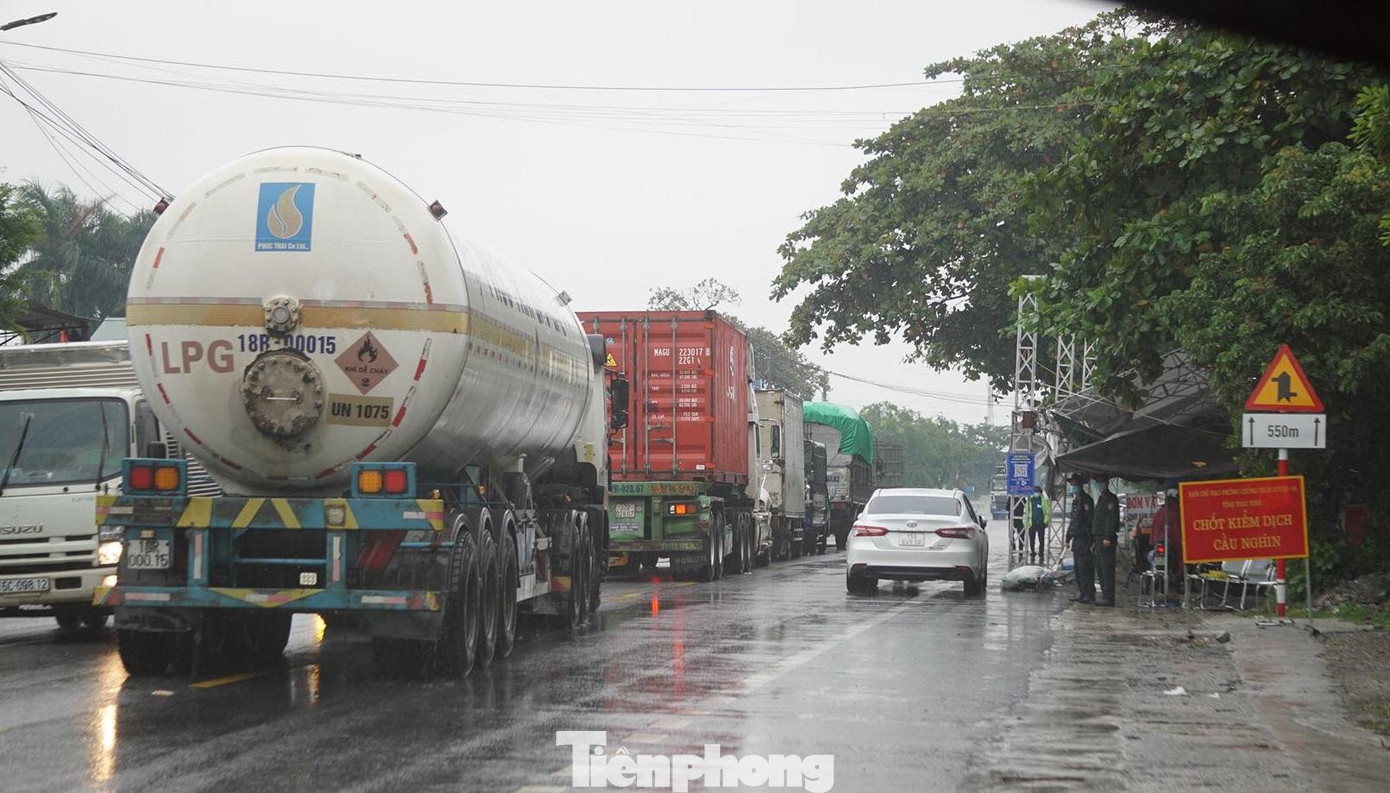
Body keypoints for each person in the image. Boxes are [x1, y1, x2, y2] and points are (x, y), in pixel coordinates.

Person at [1064, 472, 1095, 603]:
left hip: (1084, 538)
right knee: (1078, 568)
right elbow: (1073, 521)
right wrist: (1067, 538)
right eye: (1071, 484)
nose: (1072, 487)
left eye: (1074, 484)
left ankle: (1089, 594)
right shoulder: (1075, 501)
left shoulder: (1086, 500)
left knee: (1085, 567)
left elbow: (1090, 521)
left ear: (1080, 485)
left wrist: (1091, 540)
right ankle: (1082, 593)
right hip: (1076, 538)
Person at [1092, 476, 1121, 606]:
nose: (1098, 485)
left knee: (1107, 568)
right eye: (1097, 483)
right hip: (1098, 538)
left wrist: (1108, 537)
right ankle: (1105, 595)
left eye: (1100, 483)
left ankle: (1109, 597)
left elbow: (1111, 519)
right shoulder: (1101, 499)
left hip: (1106, 538)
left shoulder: (1111, 499)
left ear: (1106, 483)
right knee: (1100, 569)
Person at [1150, 486, 1183, 596]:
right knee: (1174, 566)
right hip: (1171, 545)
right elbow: (1178, 531)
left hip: (1158, 544)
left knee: (1160, 567)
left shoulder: (1161, 511)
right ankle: (1172, 587)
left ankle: (1161, 589)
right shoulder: (1175, 512)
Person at [1027, 485, 1050, 562]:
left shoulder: (1043, 500)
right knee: (1032, 539)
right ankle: (1032, 552)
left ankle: (1041, 553)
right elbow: (1026, 512)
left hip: (1041, 524)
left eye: (1037, 492)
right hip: (1032, 524)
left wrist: (1045, 521)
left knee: (1041, 540)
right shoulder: (1030, 500)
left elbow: (1047, 512)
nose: (1036, 493)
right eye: (1035, 492)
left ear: (1040, 493)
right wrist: (1026, 523)